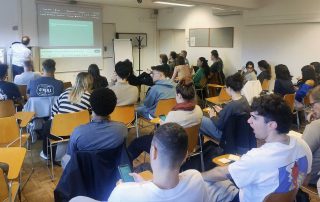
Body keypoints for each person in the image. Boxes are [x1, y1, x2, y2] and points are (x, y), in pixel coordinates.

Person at [203, 94, 312, 202]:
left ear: (271, 125)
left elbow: (220, 173)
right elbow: (305, 180)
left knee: (207, 184)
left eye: (254, 117)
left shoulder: (257, 157)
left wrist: (198, 176)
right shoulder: (303, 145)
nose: (249, 121)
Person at [128, 77, 203, 160]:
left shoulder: (174, 115)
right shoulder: (198, 110)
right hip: (188, 147)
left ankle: (125, 165)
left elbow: (164, 130)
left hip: (170, 150)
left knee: (138, 142)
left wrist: (161, 121)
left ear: (178, 95)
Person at [61, 88, 127, 169]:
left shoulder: (78, 132)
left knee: (65, 159)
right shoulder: (122, 129)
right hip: (111, 173)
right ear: (113, 108)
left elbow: (70, 155)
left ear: (91, 106)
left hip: (84, 175)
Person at [40, 72, 93, 161]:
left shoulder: (66, 92)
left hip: (58, 132)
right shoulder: (90, 97)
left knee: (47, 125)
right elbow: (91, 116)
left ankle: (47, 153)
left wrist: (56, 123)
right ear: (90, 83)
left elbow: (54, 110)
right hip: (78, 133)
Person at [200, 73, 250, 140]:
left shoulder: (231, 106)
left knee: (200, 119)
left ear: (229, 88)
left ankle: (201, 143)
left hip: (226, 135)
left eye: (225, 87)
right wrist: (222, 111)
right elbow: (232, 115)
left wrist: (212, 116)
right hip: (239, 133)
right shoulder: (244, 99)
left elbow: (219, 125)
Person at [302, 86, 320, 186]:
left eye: (312, 104)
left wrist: (311, 126)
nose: (312, 108)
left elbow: (301, 154)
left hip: (313, 179)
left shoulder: (316, 126)